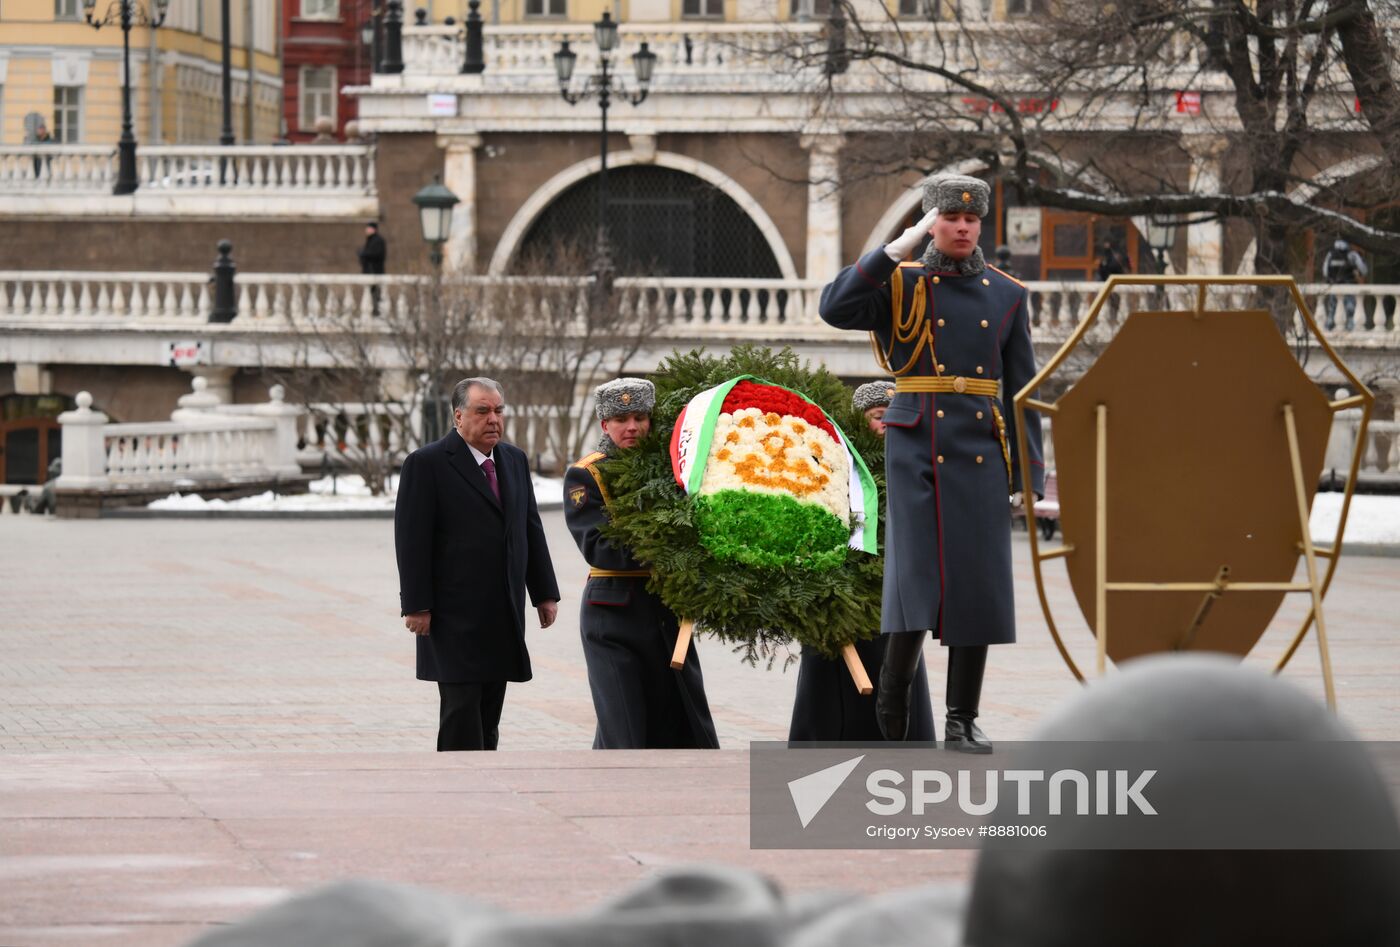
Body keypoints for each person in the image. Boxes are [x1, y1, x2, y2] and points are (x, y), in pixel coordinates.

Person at [818, 173, 1045, 752]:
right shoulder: (901, 282)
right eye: (950, 218)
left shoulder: (1007, 293)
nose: (963, 227)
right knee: (916, 573)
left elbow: (1022, 390)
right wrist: (897, 248)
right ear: (931, 223)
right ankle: (895, 685)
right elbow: (835, 307)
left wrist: (1028, 472)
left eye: (971, 220)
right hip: (916, 440)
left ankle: (961, 719)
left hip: (979, 446)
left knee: (978, 584)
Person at [394, 377, 560, 751]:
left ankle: (488, 783)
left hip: (501, 610)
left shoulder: (513, 460)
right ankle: (458, 790)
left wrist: (544, 593)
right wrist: (417, 605)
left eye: (498, 410)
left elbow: (529, 528)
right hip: (452, 615)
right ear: (458, 416)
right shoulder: (427, 464)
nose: (493, 419)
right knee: (461, 709)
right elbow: (411, 541)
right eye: (482, 411)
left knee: (489, 710)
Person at [563, 378, 719, 749]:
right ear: (605, 425)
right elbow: (600, 547)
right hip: (613, 614)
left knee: (679, 720)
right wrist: (668, 544)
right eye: (620, 419)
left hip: (665, 610)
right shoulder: (588, 473)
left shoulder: (673, 469)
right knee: (624, 723)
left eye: (639, 417)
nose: (631, 427)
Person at [787, 380, 935, 743]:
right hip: (836, 603)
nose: (887, 425)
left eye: (894, 418)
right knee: (829, 700)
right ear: (858, 422)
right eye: (879, 417)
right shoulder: (834, 468)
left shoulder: (916, 472)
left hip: (892, 607)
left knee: (897, 683)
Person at [1322, 238, 1367, 331]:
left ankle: (1328, 330)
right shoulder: (1352, 255)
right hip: (1349, 286)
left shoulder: (1330, 254)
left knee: (1331, 310)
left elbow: (1325, 272)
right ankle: (1350, 328)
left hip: (1334, 286)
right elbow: (1364, 270)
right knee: (1350, 310)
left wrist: (1330, 279)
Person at [357, 221, 387, 315]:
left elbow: (377, 254)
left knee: (376, 293)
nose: (367, 230)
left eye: (369, 228)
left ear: (373, 229)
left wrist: (364, 254)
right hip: (370, 271)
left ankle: (376, 312)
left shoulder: (378, 240)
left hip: (375, 271)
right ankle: (373, 312)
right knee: (371, 293)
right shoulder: (371, 240)